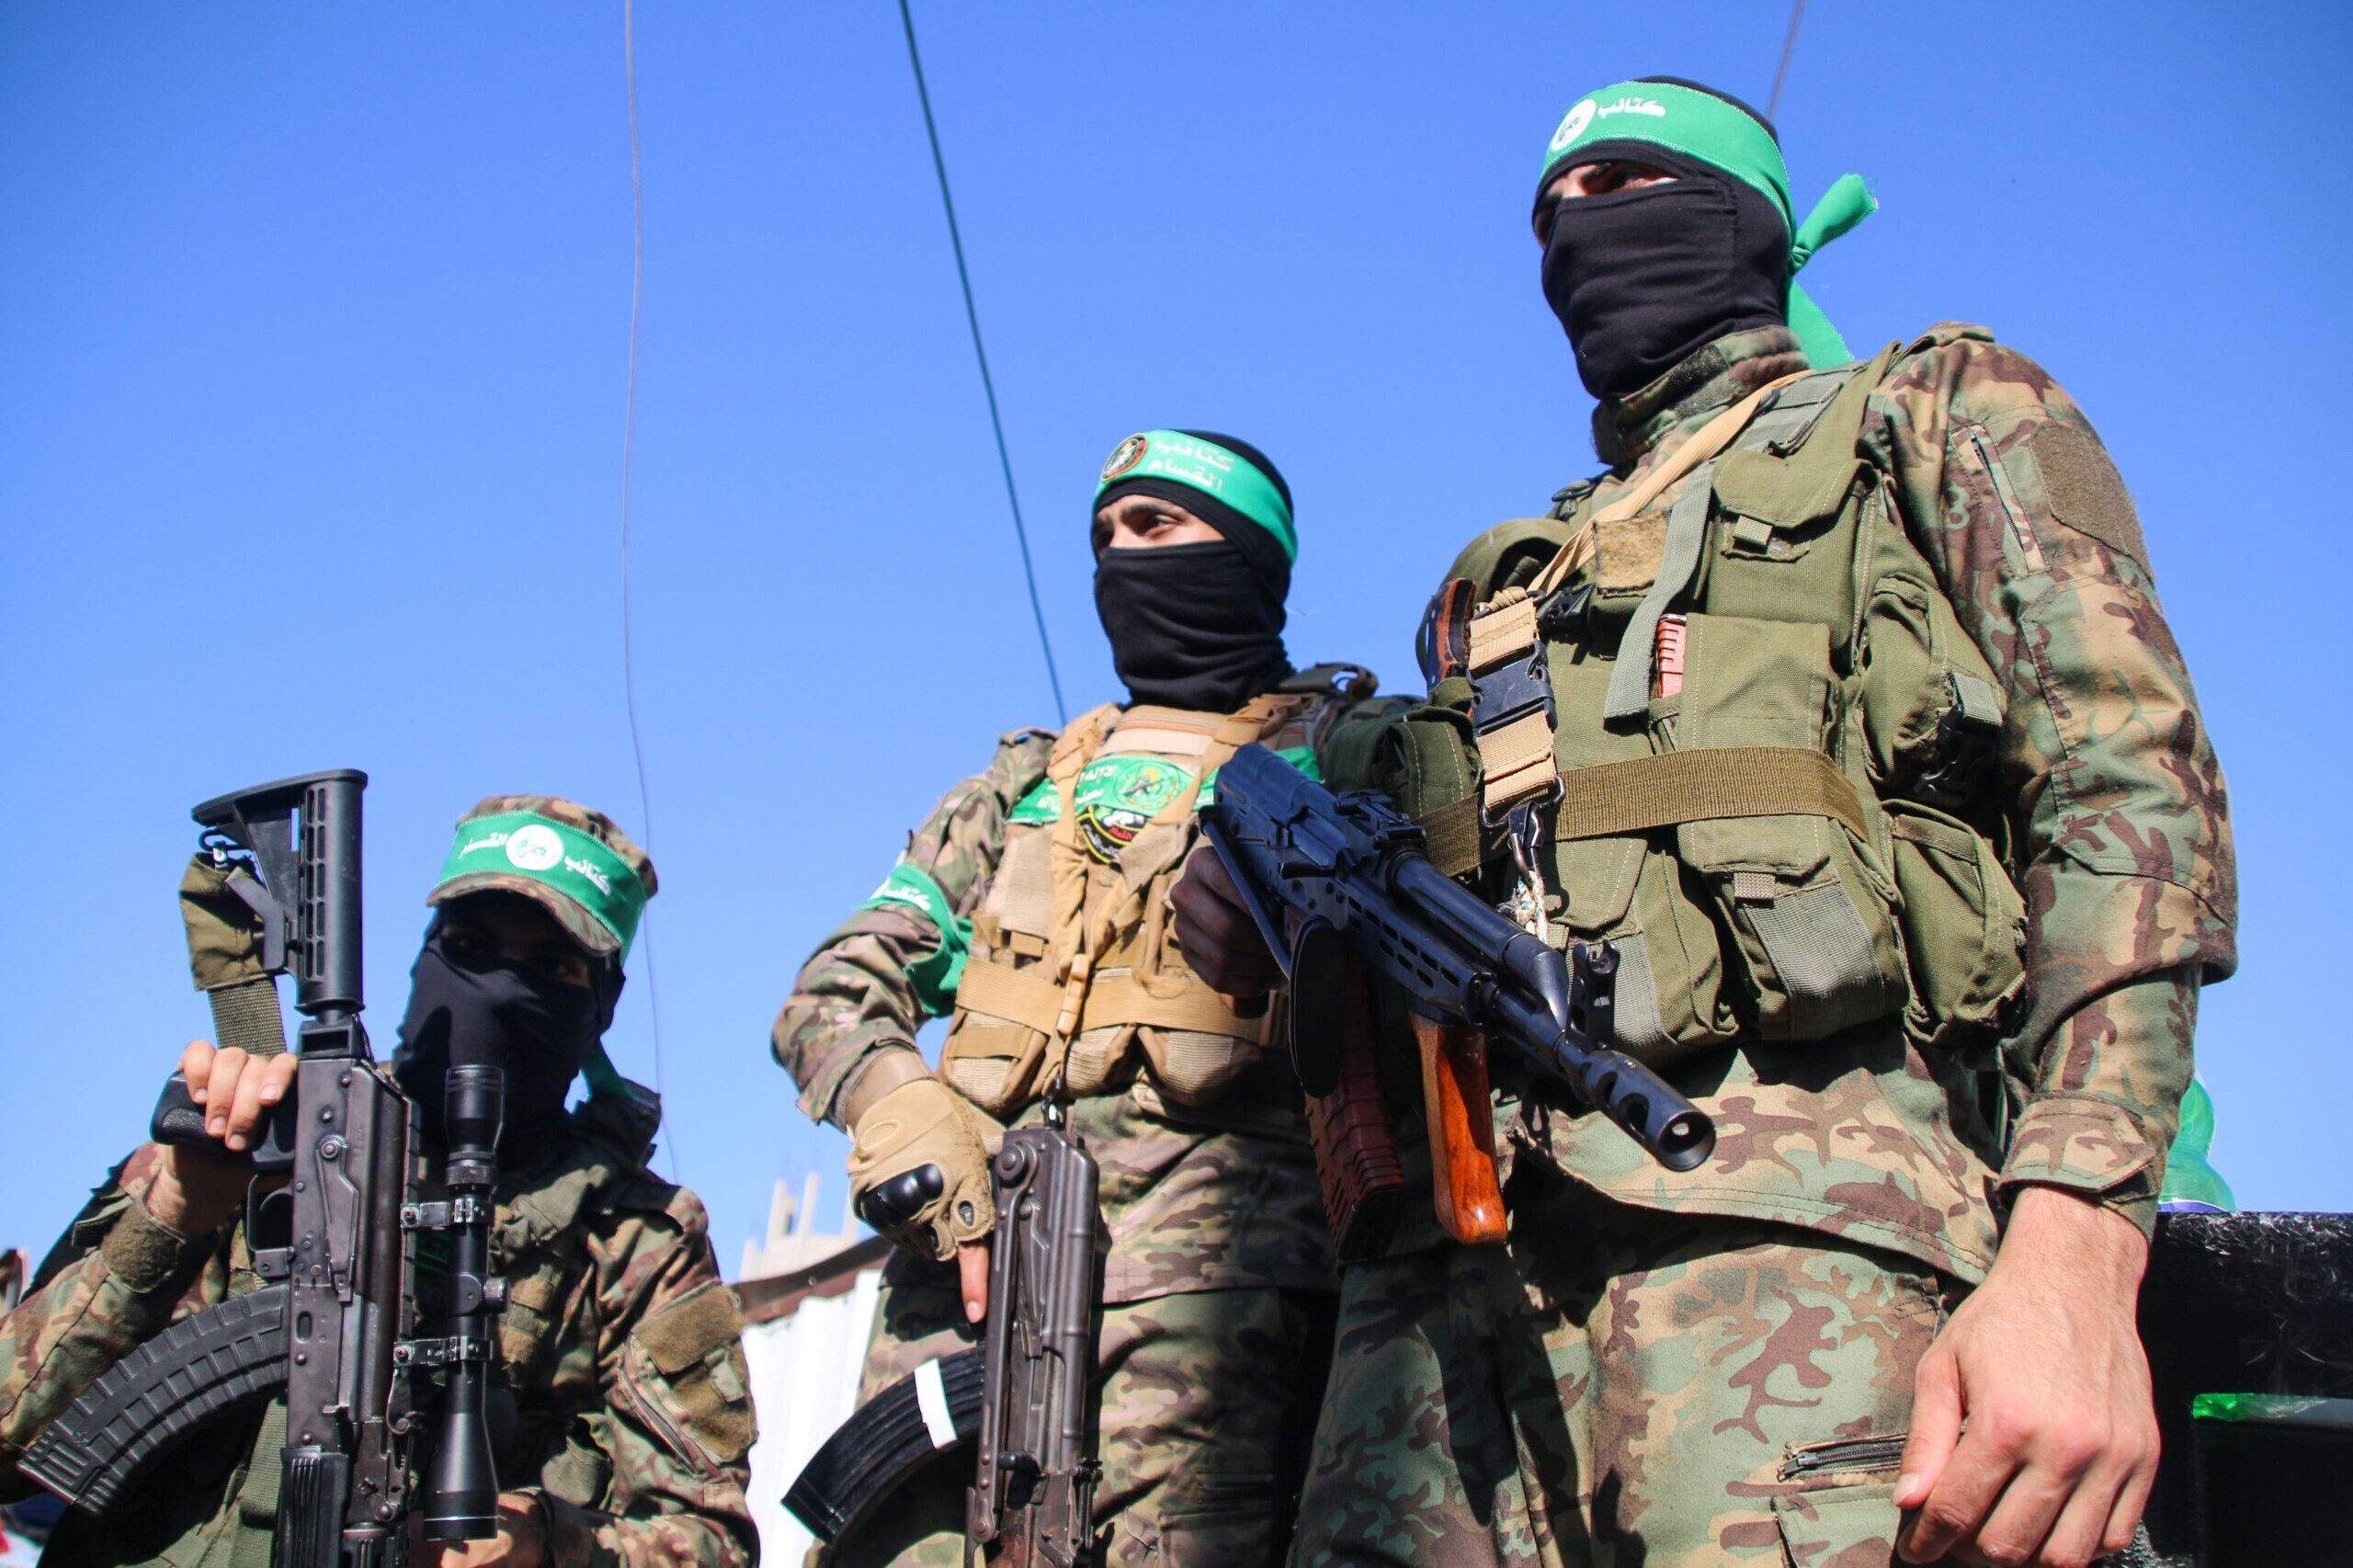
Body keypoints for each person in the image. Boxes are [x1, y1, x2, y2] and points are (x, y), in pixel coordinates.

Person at [1175, 77, 2234, 1568]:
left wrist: (2079, 1232)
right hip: (1436, 1332)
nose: (1579, 231)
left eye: (1627, 183)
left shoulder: (1925, 413)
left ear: (1745, 220)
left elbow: (2127, 790)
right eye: (1552, 212)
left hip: (1801, 1255)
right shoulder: (1494, 587)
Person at [773, 429, 1377, 1563]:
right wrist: (904, 1111)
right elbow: (835, 987)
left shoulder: (1347, 757)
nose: (1122, 556)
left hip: (1212, 1318)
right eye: (1103, 535)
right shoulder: (1023, 784)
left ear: (1248, 555)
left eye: (1157, 527)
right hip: (964, 1286)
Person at [0, 797, 759, 1568]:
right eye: (470, 947)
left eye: (551, 969)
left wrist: (548, 1544)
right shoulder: (267, 1144)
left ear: (603, 1003)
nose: (498, 991)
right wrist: (176, 1209)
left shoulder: (634, 1239)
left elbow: (711, 1543)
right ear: (423, 954)